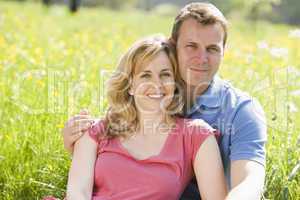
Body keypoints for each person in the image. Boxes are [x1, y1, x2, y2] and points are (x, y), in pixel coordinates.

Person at [63, 2, 267, 200]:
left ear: (224, 51)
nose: (202, 58)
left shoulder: (239, 111)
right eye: (191, 46)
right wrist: (78, 140)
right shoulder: (123, 114)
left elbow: (250, 182)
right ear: (173, 45)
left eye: (212, 49)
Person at [65, 35, 227, 199]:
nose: (157, 84)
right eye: (145, 75)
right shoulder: (95, 132)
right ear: (130, 86)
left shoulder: (196, 135)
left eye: (165, 75)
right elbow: (78, 192)